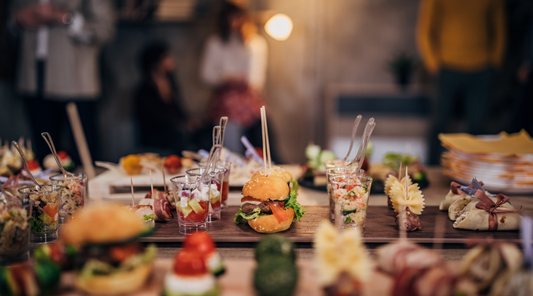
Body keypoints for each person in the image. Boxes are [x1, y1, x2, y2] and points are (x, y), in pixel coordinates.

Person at [8, 0, 115, 164]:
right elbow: (9, 26)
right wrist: (18, 20)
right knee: (43, 157)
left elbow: (104, 29)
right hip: (33, 80)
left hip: (75, 81)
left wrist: (63, 17)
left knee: (84, 157)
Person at [417, 0, 506, 164]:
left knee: (477, 126)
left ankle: (474, 175)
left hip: (482, 68)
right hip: (447, 67)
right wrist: (433, 63)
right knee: (440, 123)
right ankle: (431, 169)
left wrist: (495, 62)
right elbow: (425, 30)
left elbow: (499, 28)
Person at [200, 2, 267, 155]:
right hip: (224, 99)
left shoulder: (255, 44)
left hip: (249, 99)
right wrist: (228, 78)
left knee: (262, 126)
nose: (232, 22)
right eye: (229, 17)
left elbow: (256, 80)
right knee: (228, 121)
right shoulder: (215, 43)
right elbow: (206, 74)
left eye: (237, 17)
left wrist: (233, 78)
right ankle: (231, 161)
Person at [135, 42, 198, 153]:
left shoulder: (171, 83)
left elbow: (178, 109)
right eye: (167, 57)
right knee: (179, 134)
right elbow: (154, 119)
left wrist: (189, 121)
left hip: (176, 128)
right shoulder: (145, 89)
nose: (172, 59)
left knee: (206, 129)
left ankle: (206, 163)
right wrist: (181, 124)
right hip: (156, 134)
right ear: (157, 62)